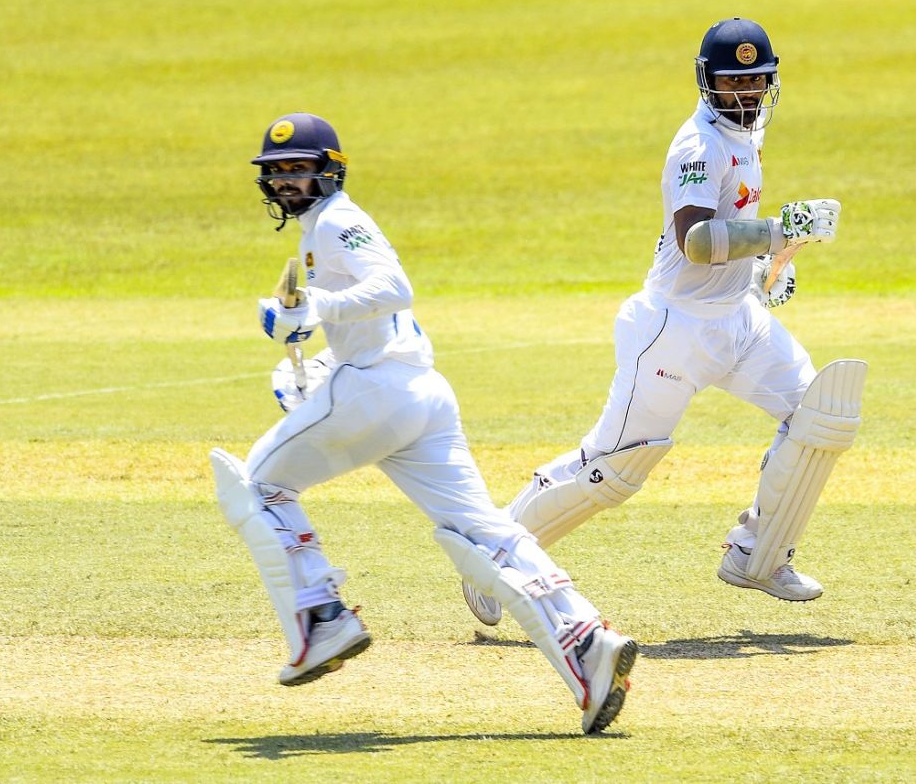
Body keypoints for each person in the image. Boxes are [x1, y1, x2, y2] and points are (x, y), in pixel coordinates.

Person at [210, 112, 636, 735]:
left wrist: (315, 311)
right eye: (276, 172)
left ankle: (321, 620)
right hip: (420, 395)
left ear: (330, 170)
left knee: (257, 488)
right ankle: (587, 644)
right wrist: (317, 366)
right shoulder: (322, 228)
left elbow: (394, 287)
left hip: (379, 390)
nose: (285, 182)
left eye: (298, 169)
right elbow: (388, 324)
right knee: (479, 531)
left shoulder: (338, 221)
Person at [463, 18, 866, 626]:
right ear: (707, 83)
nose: (748, 93)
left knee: (821, 415)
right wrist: (783, 230)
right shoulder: (696, 145)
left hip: (739, 321)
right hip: (672, 330)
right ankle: (494, 558)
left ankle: (757, 554)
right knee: (616, 471)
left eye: (758, 80)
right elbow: (698, 240)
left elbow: (732, 231)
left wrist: (763, 269)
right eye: (734, 82)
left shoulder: (751, 127)